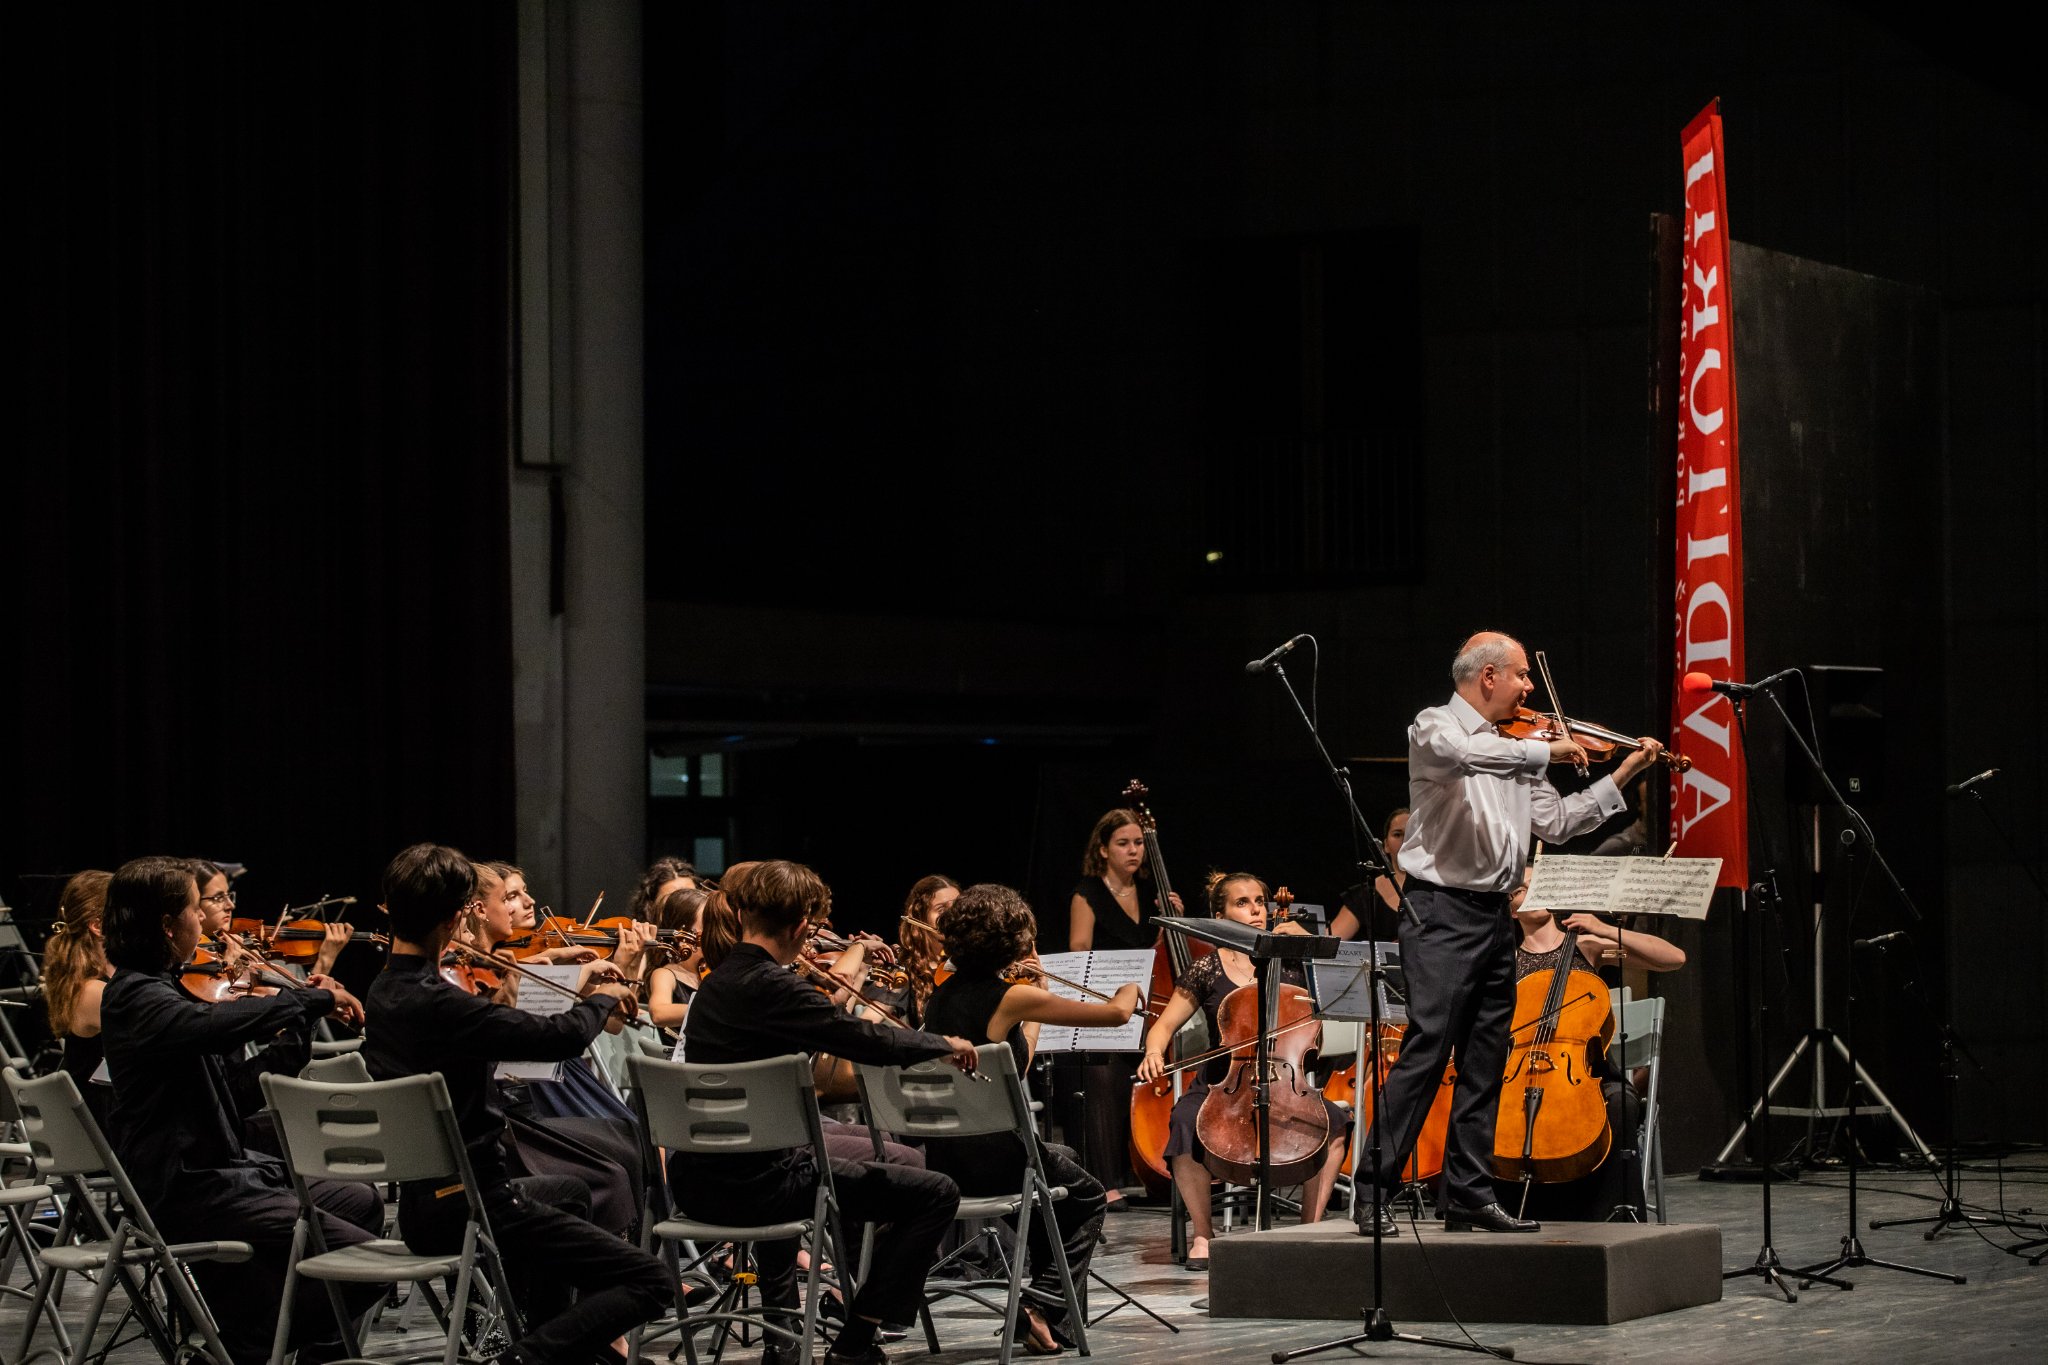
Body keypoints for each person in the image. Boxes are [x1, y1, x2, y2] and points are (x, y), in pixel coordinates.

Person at [1359, 632, 1664, 1236]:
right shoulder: (1435, 728)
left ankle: (1468, 1193)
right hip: (1440, 913)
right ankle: (1374, 1190)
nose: (1530, 690)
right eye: (1522, 676)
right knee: (1428, 1050)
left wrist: (1624, 771)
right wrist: (1548, 752)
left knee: (1486, 1058)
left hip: (1493, 914)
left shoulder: (1516, 747)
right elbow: (1467, 757)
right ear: (1489, 676)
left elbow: (1560, 820)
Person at [364, 842, 668, 1365]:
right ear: (458, 915)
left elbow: (499, 1024)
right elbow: (560, 1036)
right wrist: (602, 996)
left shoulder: (383, 993)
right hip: (479, 1204)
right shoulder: (442, 1003)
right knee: (651, 1280)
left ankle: (553, 1344)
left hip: (424, 1206)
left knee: (570, 1191)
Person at [668, 859, 976, 1365]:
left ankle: (783, 1342)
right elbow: (861, 1037)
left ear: (743, 914)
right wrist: (938, 1043)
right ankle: (857, 1341)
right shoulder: (776, 986)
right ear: (800, 926)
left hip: (695, 1184)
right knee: (936, 1193)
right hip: (761, 1189)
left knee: (788, 1154)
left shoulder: (715, 985)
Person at [98, 856, 381, 1365]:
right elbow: (210, 1026)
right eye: (193, 909)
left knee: (360, 1201)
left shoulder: (162, 990)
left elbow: (235, 1092)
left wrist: (297, 1029)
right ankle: (244, 1347)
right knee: (362, 1264)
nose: (205, 921)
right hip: (188, 1188)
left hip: (223, 1175)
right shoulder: (135, 997)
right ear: (167, 925)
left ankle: (290, 1347)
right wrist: (304, 1000)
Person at [922, 883, 1140, 1352]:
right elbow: (1118, 1013)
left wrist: (1032, 999)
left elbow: (1011, 1066)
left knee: (1060, 1160)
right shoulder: (1009, 998)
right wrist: (1133, 984)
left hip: (946, 1158)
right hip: (998, 1159)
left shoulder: (936, 998)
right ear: (1015, 942)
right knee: (1087, 1196)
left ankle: (1050, 1319)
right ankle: (1039, 1306)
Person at [1136, 873, 1352, 1270]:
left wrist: (1305, 944)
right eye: (1241, 902)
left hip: (1286, 1081)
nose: (1255, 909)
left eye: (1259, 901)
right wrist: (1152, 1051)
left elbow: (1339, 994)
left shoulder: (1293, 961)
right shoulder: (1206, 968)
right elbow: (1163, 1027)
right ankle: (1203, 1232)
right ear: (1219, 915)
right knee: (1184, 1120)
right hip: (1223, 1081)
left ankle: (1309, 1227)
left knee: (1335, 1124)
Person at [1497, 870, 1684, 1221]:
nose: (1532, 892)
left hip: (1587, 1070)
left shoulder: (1585, 945)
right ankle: (1507, 1207)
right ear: (1511, 909)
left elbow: (1673, 958)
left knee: (1622, 1104)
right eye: (1521, 889)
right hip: (1521, 1070)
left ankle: (1611, 1212)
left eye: (1539, 884)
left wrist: (1604, 928)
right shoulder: (1505, 960)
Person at [1059, 808, 1180, 1212]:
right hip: (1106, 1005)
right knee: (1101, 1075)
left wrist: (1173, 921)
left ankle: (1155, 1167)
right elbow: (1080, 954)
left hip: (1150, 1005)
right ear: (1103, 849)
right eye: (1123, 843)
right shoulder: (1087, 893)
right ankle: (1105, 1179)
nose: (1134, 851)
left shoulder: (1152, 894)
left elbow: (1164, 955)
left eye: (1139, 843)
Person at [39, 869, 114, 1129]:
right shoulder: (95, 991)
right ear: (98, 925)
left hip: (97, 1121)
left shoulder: (81, 981)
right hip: (107, 1131)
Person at [1328, 808, 1410, 944]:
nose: (1405, 840)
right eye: (1397, 834)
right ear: (1386, 846)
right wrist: (1302, 935)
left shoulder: (1438, 891)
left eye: (1411, 835)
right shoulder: (1365, 895)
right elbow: (1330, 941)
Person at [895, 874, 960, 1025]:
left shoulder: (970, 965)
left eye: (958, 907)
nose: (952, 916)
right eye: (941, 909)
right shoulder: (905, 968)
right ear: (920, 917)